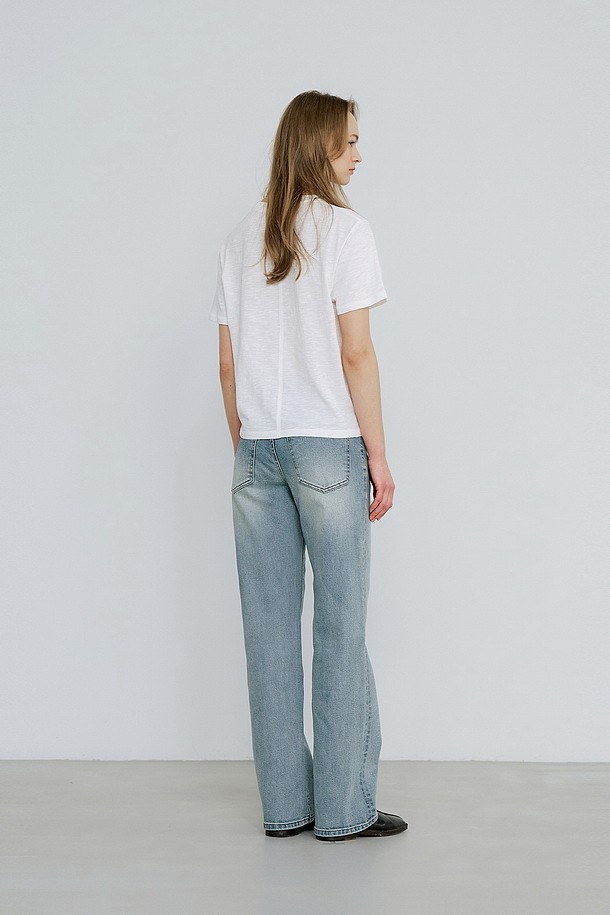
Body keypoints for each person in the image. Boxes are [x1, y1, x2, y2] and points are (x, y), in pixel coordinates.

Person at [209, 90, 408, 842]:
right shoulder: (346, 232)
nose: (359, 155)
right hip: (329, 446)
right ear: (319, 146)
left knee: (267, 634)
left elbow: (227, 364)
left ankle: (285, 809)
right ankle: (345, 811)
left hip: (256, 450)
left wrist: (248, 444)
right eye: (349, 141)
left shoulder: (242, 237)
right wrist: (377, 456)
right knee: (341, 628)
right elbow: (356, 352)